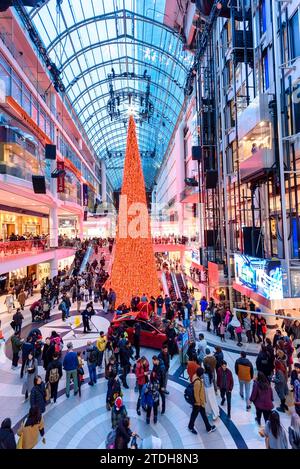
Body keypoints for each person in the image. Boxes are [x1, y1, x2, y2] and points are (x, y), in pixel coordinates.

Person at [188, 367, 216, 434]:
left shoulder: (195, 377)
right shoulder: (198, 382)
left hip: (198, 402)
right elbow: (196, 394)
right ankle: (191, 426)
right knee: (195, 415)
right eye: (202, 373)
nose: (203, 375)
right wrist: (199, 403)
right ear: (200, 374)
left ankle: (208, 428)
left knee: (202, 415)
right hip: (198, 403)